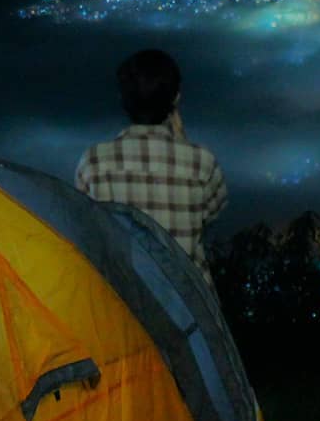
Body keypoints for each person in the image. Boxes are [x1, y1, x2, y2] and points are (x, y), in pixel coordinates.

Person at [75, 49, 227, 288]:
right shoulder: (201, 162)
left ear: (123, 100)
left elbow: (86, 226)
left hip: (123, 302)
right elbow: (209, 215)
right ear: (175, 98)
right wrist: (181, 141)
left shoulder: (94, 162)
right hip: (190, 309)